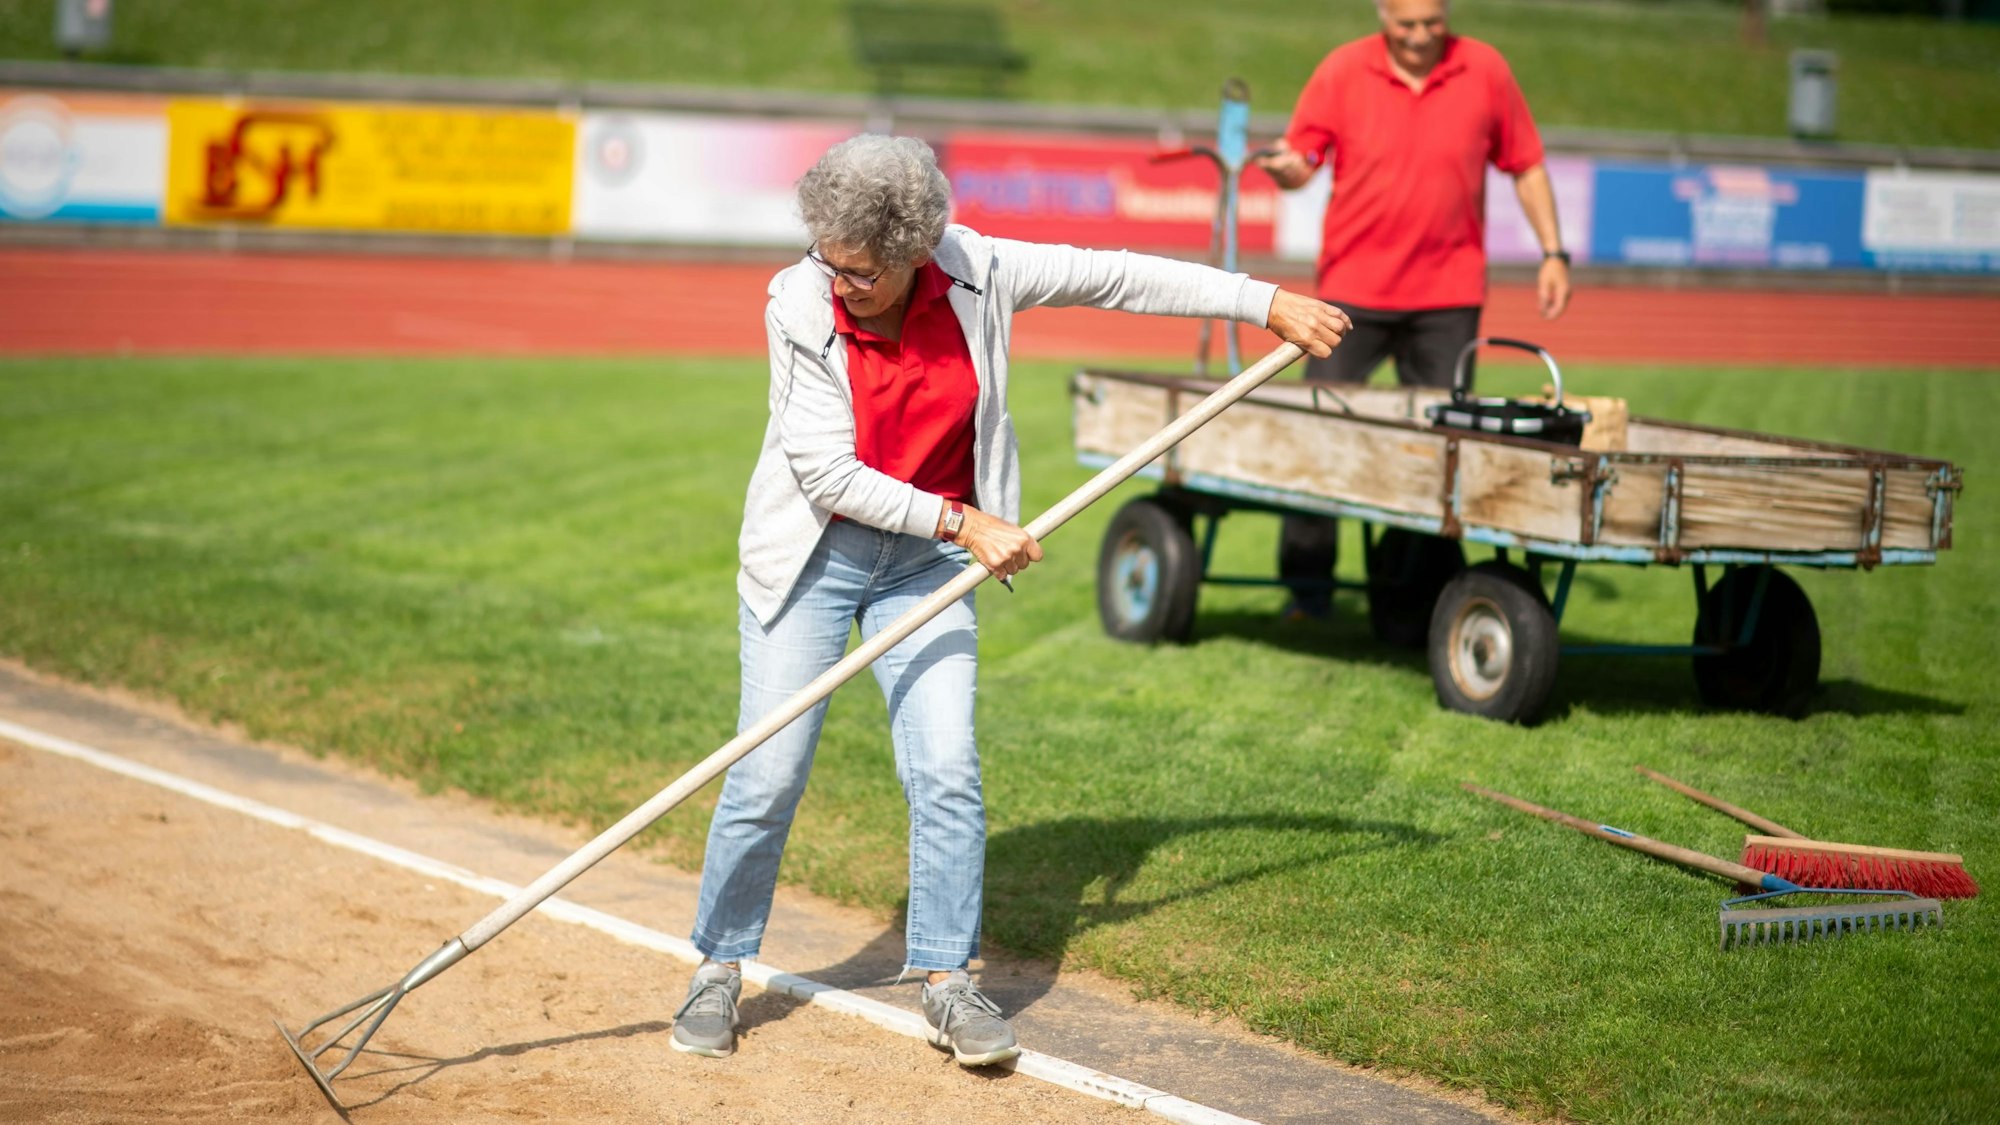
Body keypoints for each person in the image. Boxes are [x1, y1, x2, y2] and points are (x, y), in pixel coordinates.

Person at [671, 134, 1352, 1065]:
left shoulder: (978, 268)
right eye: (829, 260)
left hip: (924, 568)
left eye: (862, 271)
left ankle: (947, 979)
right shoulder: (798, 300)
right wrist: (965, 524)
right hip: (815, 561)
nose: (841, 282)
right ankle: (718, 964)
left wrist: (1262, 300)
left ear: (916, 252)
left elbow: (1115, 276)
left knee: (947, 768)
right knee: (767, 773)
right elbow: (827, 473)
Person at [1256, 0, 1571, 619]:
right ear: (1382, 13)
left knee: (1436, 449)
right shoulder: (1343, 70)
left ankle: (1413, 596)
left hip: (1448, 295)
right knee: (1320, 430)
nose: (1422, 37)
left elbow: (1527, 165)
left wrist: (1554, 252)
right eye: (1407, 25)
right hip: (1351, 290)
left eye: (1433, 23)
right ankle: (1307, 588)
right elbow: (1302, 162)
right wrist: (1287, 168)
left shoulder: (1485, 69)